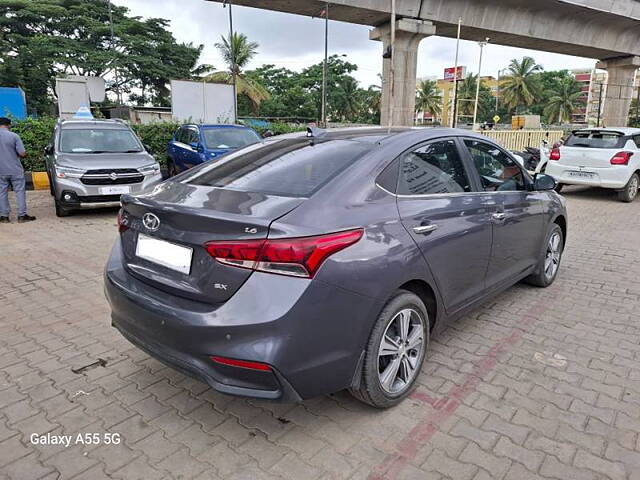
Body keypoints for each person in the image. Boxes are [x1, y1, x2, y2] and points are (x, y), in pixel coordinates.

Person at [0, 117, 35, 223]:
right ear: (8, 125)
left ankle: (4, 216)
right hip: (15, 169)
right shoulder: (14, 136)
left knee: (2, 192)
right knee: (20, 192)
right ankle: (22, 215)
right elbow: (22, 153)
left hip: (1, 171)